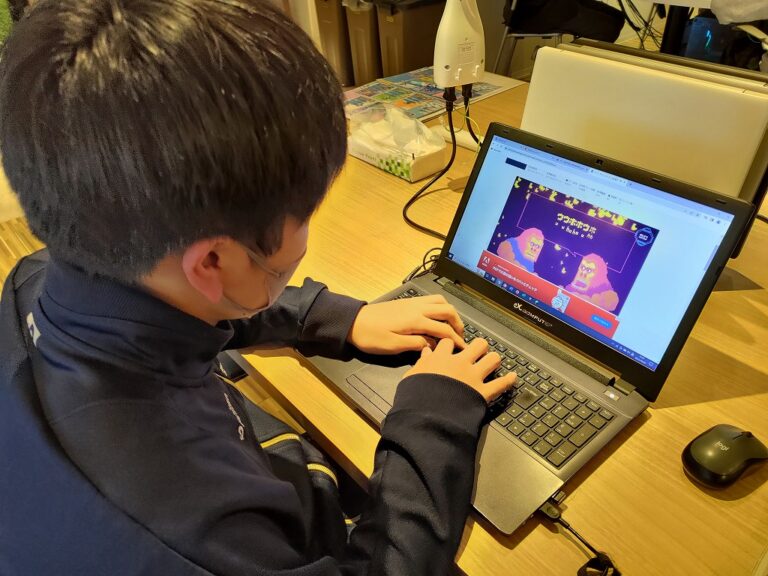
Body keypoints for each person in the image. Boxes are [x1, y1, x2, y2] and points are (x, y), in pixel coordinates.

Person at [0, 1, 515, 575]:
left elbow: (187, 302)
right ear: (213, 261)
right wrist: (434, 414)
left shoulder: (43, 275)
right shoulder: (202, 528)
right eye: (306, 215)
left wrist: (332, 317)